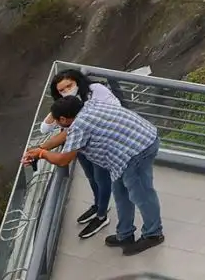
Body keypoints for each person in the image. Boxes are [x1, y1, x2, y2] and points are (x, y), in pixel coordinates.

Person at [25, 93, 164, 256]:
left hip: (138, 149)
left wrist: (42, 154)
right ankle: (125, 234)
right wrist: (42, 147)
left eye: (57, 121)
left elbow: (63, 160)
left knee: (142, 194)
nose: (56, 124)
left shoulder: (79, 125)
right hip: (126, 152)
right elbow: (66, 135)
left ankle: (153, 234)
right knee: (121, 194)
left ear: (64, 119)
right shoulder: (88, 106)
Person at [36, 69, 122, 239]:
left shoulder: (95, 91)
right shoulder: (66, 103)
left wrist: (42, 151)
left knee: (101, 178)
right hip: (81, 146)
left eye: (70, 86)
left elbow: (114, 110)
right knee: (91, 177)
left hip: (100, 144)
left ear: (78, 82)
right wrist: (61, 104)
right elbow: (45, 128)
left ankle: (102, 215)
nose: (67, 90)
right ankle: (98, 205)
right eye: (62, 90)